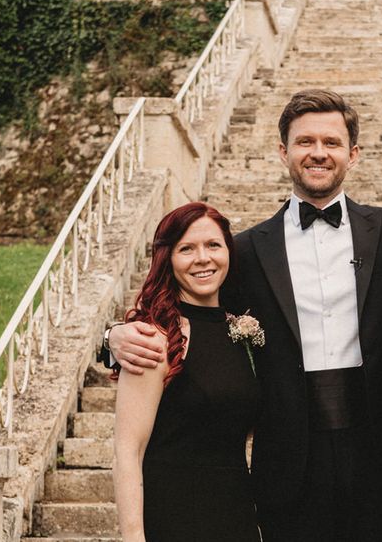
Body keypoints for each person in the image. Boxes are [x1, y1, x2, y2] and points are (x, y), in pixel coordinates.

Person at [107, 90, 382, 542]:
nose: (318, 153)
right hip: (289, 462)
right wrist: (113, 337)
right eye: (304, 141)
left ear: (352, 154)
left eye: (331, 142)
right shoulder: (247, 251)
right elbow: (187, 302)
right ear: (283, 152)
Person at [112, 202, 262, 542]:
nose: (203, 258)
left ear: (228, 252)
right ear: (168, 259)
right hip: (174, 515)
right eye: (186, 249)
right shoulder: (154, 338)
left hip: (235, 514)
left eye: (213, 245)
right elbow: (127, 450)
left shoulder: (239, 331)